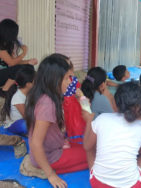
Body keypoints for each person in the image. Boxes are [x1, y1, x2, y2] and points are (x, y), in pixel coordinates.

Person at [21, 54, 88, 188]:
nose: (70, 81)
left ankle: (36, 163)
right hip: (50, 156)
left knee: (89, 150)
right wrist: (51, 175)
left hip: (54, 148)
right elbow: (35, 143)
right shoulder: (47, 103)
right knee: (93, 156)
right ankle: (40, 168)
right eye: (66, 78)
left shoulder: (45, 95)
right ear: (54, 79)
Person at [83, 82, 141, 188]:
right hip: (131, 185)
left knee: (91, 146)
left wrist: (89, 121)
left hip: (97, 183)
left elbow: (87, 147)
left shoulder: (102, 118)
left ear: (114, 104)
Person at [0, 19, 37, 96]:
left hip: (4, 74)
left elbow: (15, 61)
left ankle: (22, 89)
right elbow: (11, 63)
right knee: (17, 69)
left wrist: (28, 62)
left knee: (29, 67)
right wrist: (24, 53)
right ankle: (4, 90)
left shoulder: (8, 44)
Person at [0, 65, 35, 135]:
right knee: (26, 125)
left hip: (23, 121)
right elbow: (27, 117)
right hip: (14, 124)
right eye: (35, 81)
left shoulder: (29, 94)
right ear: (28, 84)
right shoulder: (18, 97)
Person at [62, 56, 87, 145]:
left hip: (70, 105)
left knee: (72, 122)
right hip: (73, 104)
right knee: (73, 122)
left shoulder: (72, 81)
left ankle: (71, 138)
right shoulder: (74, 81)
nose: (69, 80)